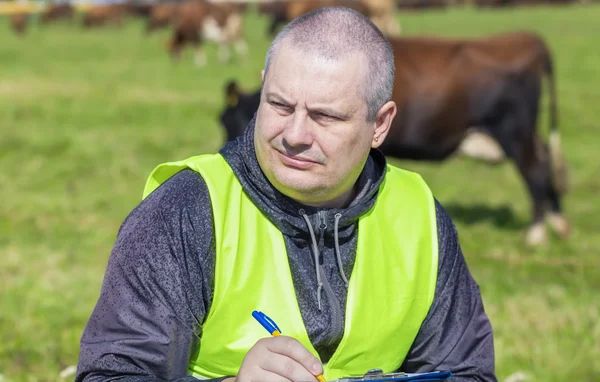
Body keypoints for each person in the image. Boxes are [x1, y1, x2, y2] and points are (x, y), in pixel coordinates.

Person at [76, 6, 497, 382]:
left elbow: (468, 371)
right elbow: (110, 374)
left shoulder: (418, 214)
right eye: (278, 105)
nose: (294, 135)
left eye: (324, 116)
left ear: (380, 124)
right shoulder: (184, 211)